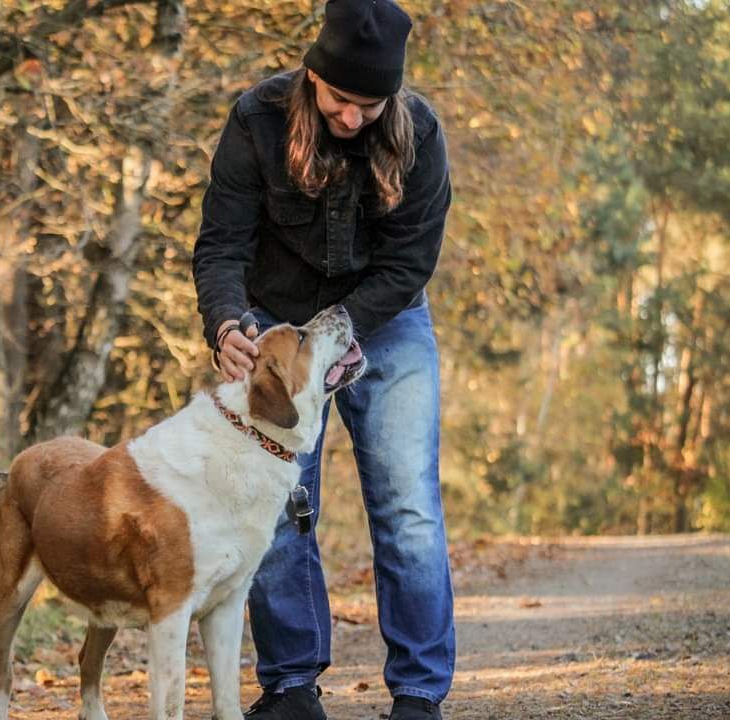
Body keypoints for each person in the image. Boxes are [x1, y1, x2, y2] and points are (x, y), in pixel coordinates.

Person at [191, 1, 454, 718]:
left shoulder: (419, 134)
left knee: (406, 507)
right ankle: (290, 686)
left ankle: (420, 694)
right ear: (312, 75)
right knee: (275, 500)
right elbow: (221, 245)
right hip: (274, 319)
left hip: (384, 323)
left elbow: (408, 266)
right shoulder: (257, 119)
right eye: (340, 100)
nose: (352, 118)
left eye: (370, 105)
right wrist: (226, 325)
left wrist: (336, 333)